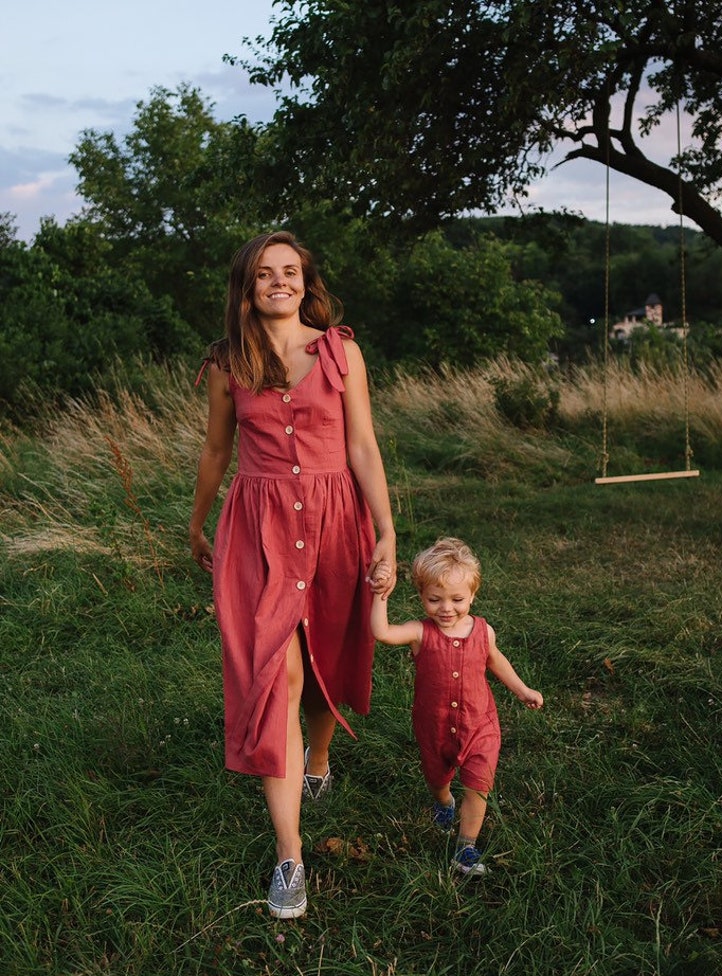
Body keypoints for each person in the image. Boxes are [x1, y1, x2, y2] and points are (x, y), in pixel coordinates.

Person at [190, 231, 396, 919]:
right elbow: (218, 450)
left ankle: (318, 760)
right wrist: (196, 520)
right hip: (260, 526)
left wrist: (387, 530)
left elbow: (362, 444)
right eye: (264, 274)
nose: (279, 282)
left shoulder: (342, 352)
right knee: (276, 671)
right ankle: (290, 856)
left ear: (307, 282)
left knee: (323, 658)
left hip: (338, 519)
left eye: (291, 272)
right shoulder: (227, 362)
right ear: (246, 288)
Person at [370, 537, 543, 875]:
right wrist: (380, 594)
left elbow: (495, 661)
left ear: (473, 596)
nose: (446, 608)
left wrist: (521, 689)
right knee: (438, 777)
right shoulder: (420, 632)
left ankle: (465, 849)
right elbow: (382, 633)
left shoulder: (483, 631)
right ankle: (444, 801)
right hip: (434, 726)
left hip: (479, 725)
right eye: (434, 599)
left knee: (478, 786)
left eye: (457, 599)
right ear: (421, 597)